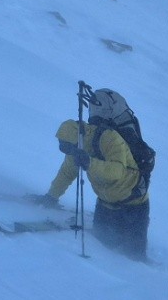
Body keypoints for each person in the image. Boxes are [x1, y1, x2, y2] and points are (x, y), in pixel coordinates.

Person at [39, 87, 151, 261]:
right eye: (65, 147)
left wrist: (89, 163)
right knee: (103, 248)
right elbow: (66, 173)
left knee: (134, 258)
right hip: (105, 204)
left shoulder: (110, 138)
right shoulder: (77, 148)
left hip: (134, 207)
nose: (69, 151)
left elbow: (117, 172)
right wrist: (51, 197)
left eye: (69, 146)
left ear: (79, 136)